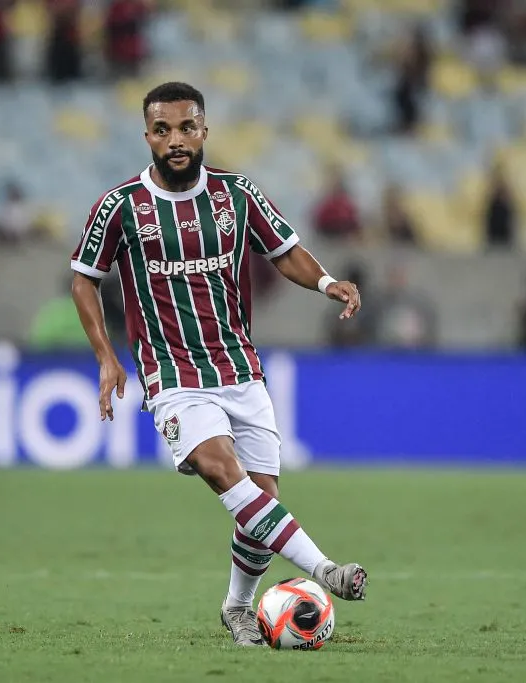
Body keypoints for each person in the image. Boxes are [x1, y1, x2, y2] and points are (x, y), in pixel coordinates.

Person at [68, 82, 367, 647]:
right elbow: (85, 278)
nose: (175, 140)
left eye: (185, 128)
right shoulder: (122, 205)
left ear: (204, 130)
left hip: (238, 366)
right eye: (162, 130)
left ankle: (236, 607)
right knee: (217, 467)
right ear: (147, 136)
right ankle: (325, 570)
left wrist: (327, 282)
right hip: (171, 372)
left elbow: (285, 251)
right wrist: (107, 358)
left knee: (261, 503)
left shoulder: (237, 195)